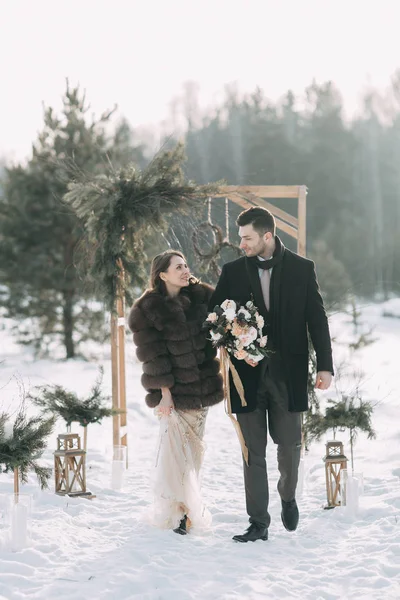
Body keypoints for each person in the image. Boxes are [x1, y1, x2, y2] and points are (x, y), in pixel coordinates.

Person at [210, 207, 333, 543]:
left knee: (290, 446)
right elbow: (215, 317)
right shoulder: (232, 271)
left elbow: (317, 319)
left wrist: (325, 365)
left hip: (289, 374)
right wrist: (237, 343)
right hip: (245, 377)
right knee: (253, 451)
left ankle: (288, 495)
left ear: (267, 236)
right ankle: (258, 522)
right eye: (240, 238)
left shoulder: (302, 269)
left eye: (247, 238)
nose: (242, 244)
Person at [128, 250, 224, 535]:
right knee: (175, 455)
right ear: (162, 274)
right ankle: (180, 512)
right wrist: (165, 395)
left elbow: (226, 323)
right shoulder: (148, 309)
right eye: (178, 267)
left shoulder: (202, 297)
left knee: (193, 454)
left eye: (186, 265)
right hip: (174, 393)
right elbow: (153, 358)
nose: (185, 270)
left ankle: (186, 507)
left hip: (203, 388)